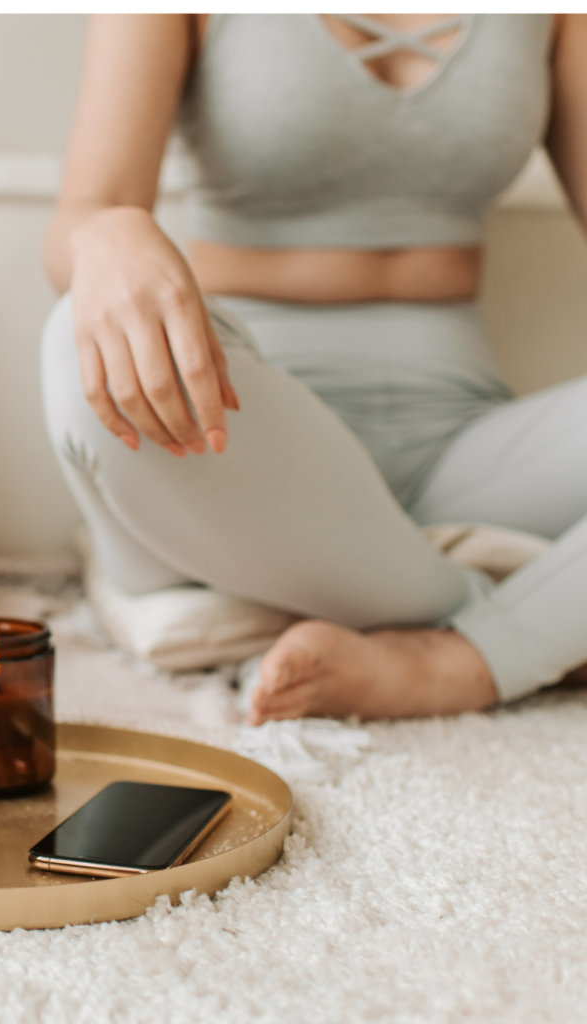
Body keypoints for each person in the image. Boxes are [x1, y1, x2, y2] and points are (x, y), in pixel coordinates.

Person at [40, 13, 587, 724]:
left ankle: (457, 662)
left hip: (464, 455)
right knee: (70, 348)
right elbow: (85, 207)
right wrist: (105, 234)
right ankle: (527, 612)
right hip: (237, 444)